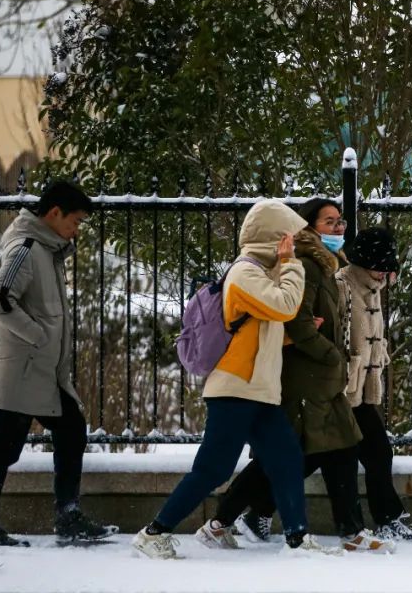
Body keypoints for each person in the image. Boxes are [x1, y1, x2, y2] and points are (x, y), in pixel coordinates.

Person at [131, 199, 315, 560]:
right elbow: (284, 306)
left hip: (258, 390)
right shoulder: (244, 273)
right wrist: (291, 264)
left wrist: (290, 334)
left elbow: (263, 327)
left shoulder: (261, 273)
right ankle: (155, 532)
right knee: (214, 468)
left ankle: (297, 539)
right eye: (288, 238)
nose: (292, 245)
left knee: (287, 459)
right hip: (235, 388)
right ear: (274, 236)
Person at [209, 198, 393, 553]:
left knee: (330, 448)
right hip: (307, 374)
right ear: (308, 228)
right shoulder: (307, 266)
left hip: (321, 375)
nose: (339, 228)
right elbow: (298, 320)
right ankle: (223, 520)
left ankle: (347, 531)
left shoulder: (324, 264)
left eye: (340, 222)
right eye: (329, 222)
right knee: (303, 452)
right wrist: (333, 357)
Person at [0, 180, 115, 546]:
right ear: (54, 213)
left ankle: (68, 516)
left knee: (71, 430)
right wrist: (37, 336)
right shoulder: (26, 246)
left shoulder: (47, 249)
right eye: (75, 220)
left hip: (42, 373)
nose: (77, 228)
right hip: (22, 370)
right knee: (3, 448)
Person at [337, 227, 412, 542]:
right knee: (363, 454)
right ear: (364, 263)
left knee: (375, 452)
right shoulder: (343, 285)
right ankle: (249, 512)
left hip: (360, 390)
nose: (386, 275)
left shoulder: (371, 288)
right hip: (343, 390)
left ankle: (387, 518)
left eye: (389, 269)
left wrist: (380, 353)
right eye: (381, 267)